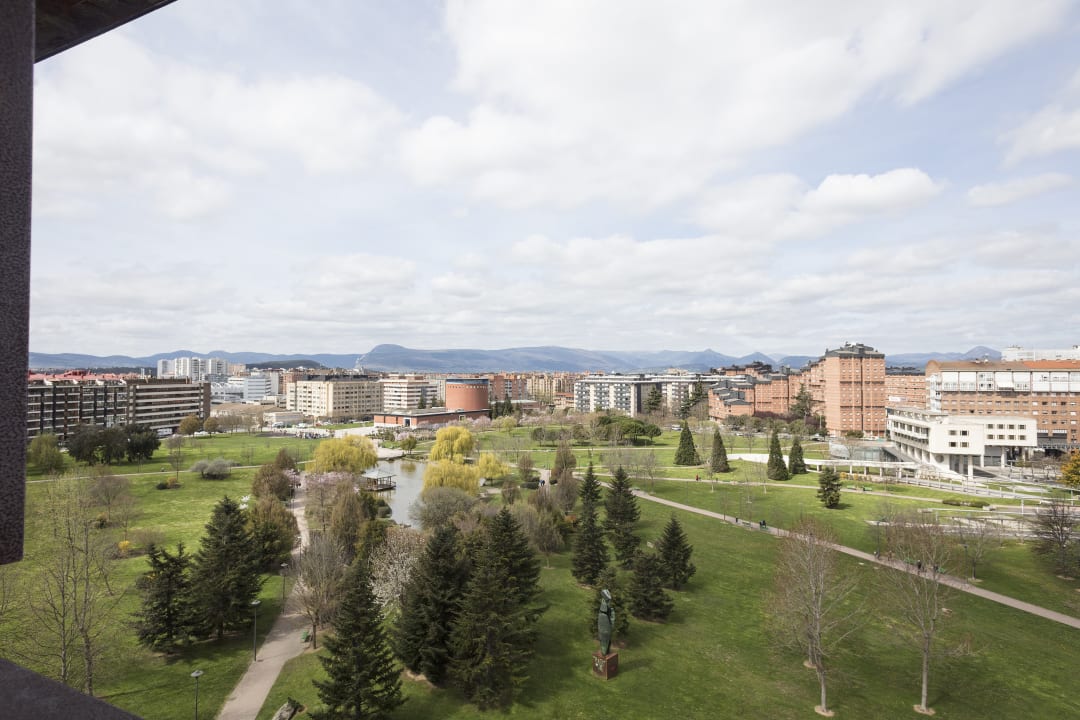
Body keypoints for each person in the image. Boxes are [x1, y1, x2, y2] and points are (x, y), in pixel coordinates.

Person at [597, 589, 615, 656]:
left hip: (606, 622)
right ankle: (604, 651)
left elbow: (611, 613)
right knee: (604, 638)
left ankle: (605, 651)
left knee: (606, 639)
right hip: (603, 621)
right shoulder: (604, 603)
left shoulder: (608, 606)